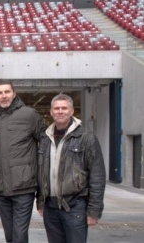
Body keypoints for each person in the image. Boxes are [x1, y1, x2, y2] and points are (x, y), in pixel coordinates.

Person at [36, 94, 106, 243]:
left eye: (64, 108)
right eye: (56, 108)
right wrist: (40, 202)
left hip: (75, 206)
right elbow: (40, 172)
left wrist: (94, 211)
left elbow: (97, 175)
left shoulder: (86, 138)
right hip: (51, 207)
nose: (60, 111)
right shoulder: (45, 138)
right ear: (51, 112)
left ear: (72, 111)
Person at [0, 80, 44, 243]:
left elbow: (45, 145)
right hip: (1, 188)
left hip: (24, 186)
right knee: (9, 235)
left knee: (19, 235)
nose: (3, 96)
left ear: (14, 93)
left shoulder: (30, 115)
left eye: (7, 92)